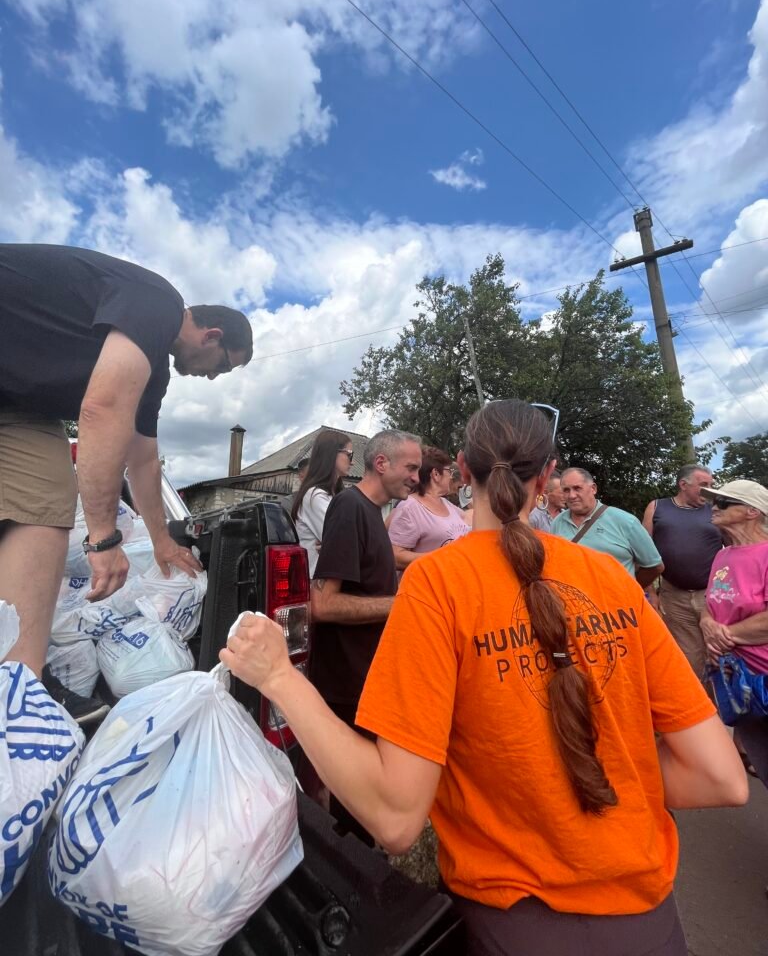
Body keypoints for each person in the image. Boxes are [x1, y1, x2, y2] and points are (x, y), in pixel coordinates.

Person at [221, 400, 746, 956]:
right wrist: (596, 773)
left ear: (463, 468)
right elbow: (722, 779)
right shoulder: (608, 577)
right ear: (546, 477)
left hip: (513, 925)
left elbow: (395, 816)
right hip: (653, 924)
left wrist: (279, 677)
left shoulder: (436, 584)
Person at [0, 243, 252, 722]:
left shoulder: (154, 371)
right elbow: (103, 408)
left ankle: (19, 687)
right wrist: (102, 537)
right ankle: (20, 695)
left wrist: (161, 541)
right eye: (223, 366)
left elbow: (143, 459)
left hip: (20, 406)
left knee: (45, 489)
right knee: (46, 493)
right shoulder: (159, 303)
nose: (214, 377)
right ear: (212, 335)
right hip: (15, 401)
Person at [308, 429, 421, 842]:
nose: (417, 478)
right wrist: (403, 605)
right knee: (354, 809)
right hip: (346, 685)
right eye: (411, 468)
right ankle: (348, 870)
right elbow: (322, 604)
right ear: (381, 463)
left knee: (366, 800)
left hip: (367, 679)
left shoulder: (373, 512)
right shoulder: (349, 507)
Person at [699, 479, 768, 785]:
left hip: (763, 674)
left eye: (724, 502)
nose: (714, 507)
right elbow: (711, 602)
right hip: (734, 679)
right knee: (762, 759)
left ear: (752, 511)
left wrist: (724, 635)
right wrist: (706, 623)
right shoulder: (723, 555)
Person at [641, 465, 722, 680]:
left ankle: (723, 700)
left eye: (711, 485)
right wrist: (651, 593)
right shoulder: (657, 507)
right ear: (683, 485)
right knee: (688, 657)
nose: (709, 490)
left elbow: (735, 548)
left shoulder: (716, 510)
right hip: (674, 597)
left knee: (718, 652)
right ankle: (697, 700)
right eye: (703, 485)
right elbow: (642, 552)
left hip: (713, 595)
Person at [553, 468, 664, 587]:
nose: (572, 495)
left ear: (593, 488)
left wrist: (629, 589)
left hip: (616, 598)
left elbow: (655, 566)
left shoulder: (626, 521)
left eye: (577, 488)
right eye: (566, 490)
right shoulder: (558, 522)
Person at [387, 446, 470, 569]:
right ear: (436, 474)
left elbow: (469, 518)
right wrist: (441, 557)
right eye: (449, 471)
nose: (451, 477)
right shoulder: (410, 507)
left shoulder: (446, 504)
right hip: (424, 580)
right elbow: (395, 557)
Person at [291, 431, 353, 575]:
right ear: (332, 454)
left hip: (330, 577)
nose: (352, 462)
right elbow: (345, 542)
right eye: (349, 454)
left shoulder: (334, 495)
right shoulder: (315, 496)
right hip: (315, 581)